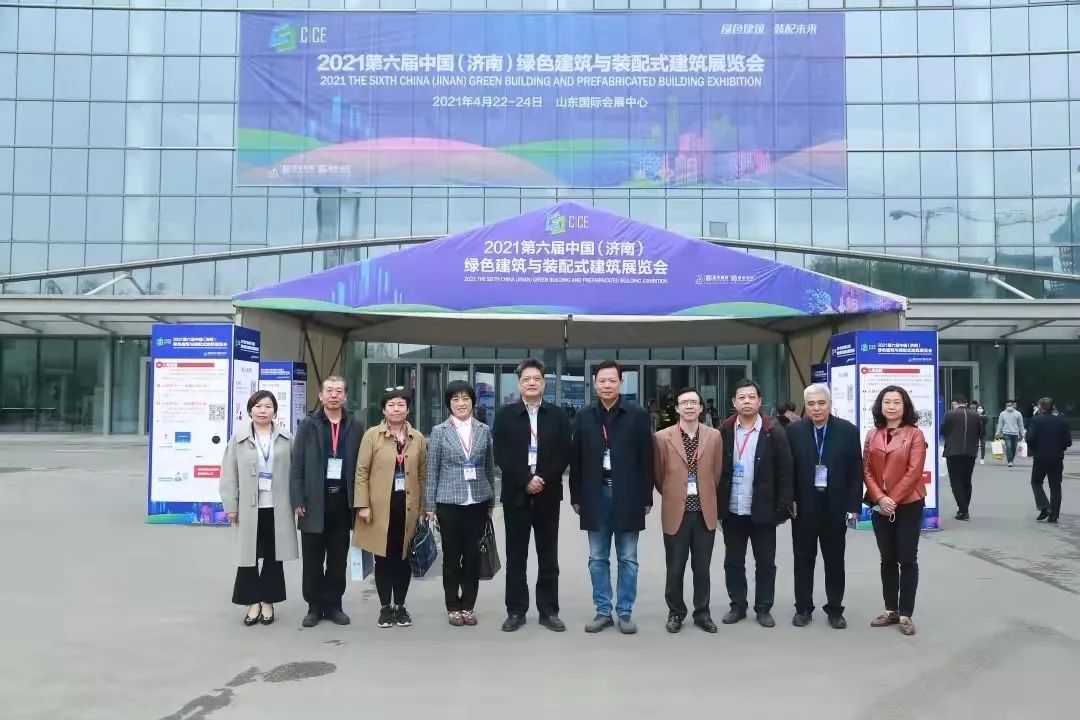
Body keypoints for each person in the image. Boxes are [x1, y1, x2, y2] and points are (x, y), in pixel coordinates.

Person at [569, 360, 654, 635]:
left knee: (628, 558)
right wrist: (576, 496)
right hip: (595, 496)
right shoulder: (584, 416)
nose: (607, 385)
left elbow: (647, 459)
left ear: (621, 382)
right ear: (595, 384)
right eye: (602, 381)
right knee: (597, 558)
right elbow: (576, 460)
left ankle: (625, 611)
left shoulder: (637, 416)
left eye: (612, 380)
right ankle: (603, 610)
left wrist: (647, 497)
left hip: (628, 495)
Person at [493, 359, 572, 633]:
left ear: (544, 383)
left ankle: (548, 611)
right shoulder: (505, 415)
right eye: (526, 379)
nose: (531, 383)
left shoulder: (557, 415)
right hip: (516, 494)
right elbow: (501, 454)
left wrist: (542, 479)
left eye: (536, 379)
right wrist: (526, 480)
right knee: (516, 557)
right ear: (519, 384)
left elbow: (564, 452)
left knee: (548, 556)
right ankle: (516, 610)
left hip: (548, 495)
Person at [717, 379, 794, 629]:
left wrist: (783, 507)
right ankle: (737, 606)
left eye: (752, 397)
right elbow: (716, 470)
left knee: (765, 563)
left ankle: (763, 608)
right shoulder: (725, 430)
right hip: (733, 508)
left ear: (760, 401)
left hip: (763, 509)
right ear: (734, 402)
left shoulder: (773, 431)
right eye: (742, 397)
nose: (747, 401)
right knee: (733, 561)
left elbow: (785, 471)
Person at [290, 376, 365, 628]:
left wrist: (361, 501)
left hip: (342, 502)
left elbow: (363, 466)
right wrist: (297, 498)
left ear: (345, 396)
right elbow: (297, 464)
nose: (334, 395)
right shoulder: (308, 425)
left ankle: (334, 605)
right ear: (321, 396)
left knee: (337, 559)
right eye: (329, 391)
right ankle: (314, 606)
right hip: (313, 501)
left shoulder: (355, 425)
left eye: (339, 391)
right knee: (312, 560)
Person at [220, 390, 299, 626]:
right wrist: (230, 504)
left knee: (274, 555)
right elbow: (228, 473)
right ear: (250, 410)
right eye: (258, 406)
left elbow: (296, 472)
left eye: (267, 406)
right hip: (248, 507)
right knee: (248, 556)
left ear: (275, 411)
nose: (262, 411)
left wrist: (298, 501)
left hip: (278, 506)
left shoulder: (286, 437)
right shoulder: (239, 438)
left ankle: (268, 601)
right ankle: (252, 602)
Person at [787, 384, 863, 630]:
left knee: (834, 561)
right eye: (811, 404)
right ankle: (803, 608)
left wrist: (853, 505)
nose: (816, 408)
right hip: (804, 508)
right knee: (803, 560)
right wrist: (789, 500)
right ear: (805, 406)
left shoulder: (848, 431)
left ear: (830, 404)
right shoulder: (794, 431)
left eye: (821, 403)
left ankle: (835, 609)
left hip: (835, 508)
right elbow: (787, 469)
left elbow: (856, 470)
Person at [353, 387, 427, 629]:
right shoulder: (372, 436)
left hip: (408, 508)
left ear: (408, 409)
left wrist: (424, 506)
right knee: (383, 559)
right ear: (384, 410)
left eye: (401, 405)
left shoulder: (417, 437)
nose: (396, 409)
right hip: (379, 508)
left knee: (404, 558)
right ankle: (385, 607)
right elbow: (361, 472)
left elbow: (422, 474)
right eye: (391, 405)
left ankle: (400, 606)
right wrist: (362, 504)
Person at [426, 381, 496, 627]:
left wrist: (491, 502)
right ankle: (452, 606)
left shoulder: (484, 430)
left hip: (477, 501)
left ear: (473, 402)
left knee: (473, 556)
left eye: (465, 398)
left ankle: (468, 605)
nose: (461, 403)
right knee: (452, 557)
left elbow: (489, 466)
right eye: (455, 399)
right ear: (449, 404)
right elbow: (432, 469)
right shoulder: (439, 431)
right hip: (449, 502)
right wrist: (430, 506)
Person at [653, 387, 723, 634]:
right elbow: (659, 476)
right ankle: (675, 612)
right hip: (676, 512)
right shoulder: (662, 437)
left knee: (702, 568)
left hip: (704, 512)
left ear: (701, 408)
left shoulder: (714, 436)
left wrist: (705, 493)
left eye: (694, 402)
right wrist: (674, 494)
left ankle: (702, 613)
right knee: (675, 567)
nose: (690, 406)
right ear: (677, 408)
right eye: (684, 403)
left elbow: (716, 473)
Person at [863, 385, 928, 637]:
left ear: (905, 406)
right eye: (887, 402)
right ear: (880, 406)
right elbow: (867, 470)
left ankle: (905, 613)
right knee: (887, 558)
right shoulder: (872, 435)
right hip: (880, 504)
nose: (891, 406)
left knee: (907, 558)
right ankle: (890, 609)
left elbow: (914, 471)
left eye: (896, 402)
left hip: (909, 503)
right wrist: (880, 498)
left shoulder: (915, 434)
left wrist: (892, 499)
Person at [1026, 397, 1072, 524]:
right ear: (1053, 407)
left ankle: (1044, 506)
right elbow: (1068, 442)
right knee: (1055, 485)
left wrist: (1032, 445)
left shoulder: (1036, 420)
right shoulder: (1062, 421)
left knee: (1036, 482)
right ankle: (1054, 515)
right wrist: (1060, 447)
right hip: (1057, 457)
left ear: (1040, 407)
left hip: (1040, 457)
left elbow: (1030, 439)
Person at [941, 395, 983, 521]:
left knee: (955, 481)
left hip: (953, 452)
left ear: (955, 403)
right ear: (966, 403)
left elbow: (943, 430)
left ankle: (963, 509)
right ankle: (964, 508)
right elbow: (981, 432)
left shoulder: (950, 414)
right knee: (966, 480)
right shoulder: (976, 416)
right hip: (970, 452)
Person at [995, 400, 1026, 467]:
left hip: (1015, 433)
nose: (1009, 406)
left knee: (1014, 448)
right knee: (1008, 447)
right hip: (1006, 432)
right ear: (1006, 406)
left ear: (1013, 406)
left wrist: (1023, 433)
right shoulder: (1002, 414)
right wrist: (997, 433)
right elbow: (1000, 424)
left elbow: (1020, 425)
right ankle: (1010, 461)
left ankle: (1011, 459)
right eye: (1007, 405)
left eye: (1010, 405)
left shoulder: (1018, 414)